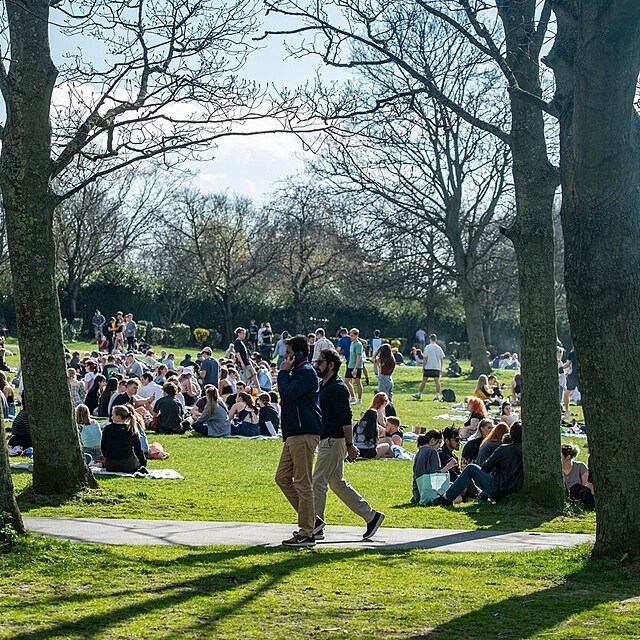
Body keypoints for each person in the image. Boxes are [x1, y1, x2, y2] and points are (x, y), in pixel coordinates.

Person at [311, 348, 385, 540]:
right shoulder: (324, 385)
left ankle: (315, 525)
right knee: (337, 483)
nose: (317, 365)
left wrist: (350, 445)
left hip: (334, 441)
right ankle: (372, 516)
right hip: (327, 440)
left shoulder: (338, 387)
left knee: (317, 481)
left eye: (320, 362)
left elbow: (346, 418)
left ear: (331, 365)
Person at [276, 334, 323, 547]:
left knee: (303, 483)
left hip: (304, 433)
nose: (284, 358)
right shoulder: (297, 372)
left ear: (299, 354)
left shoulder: (304, 372)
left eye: (288, 354)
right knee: (282, 477)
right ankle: (312, 520)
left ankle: (307, 533)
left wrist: (282, 373)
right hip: (294, 433)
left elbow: (288, 394)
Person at [431, 422, 524, 505]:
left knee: (471, 468)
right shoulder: (527, 451)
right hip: (516, 490)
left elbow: (485, 467)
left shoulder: (503, 449)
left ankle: (446, 498)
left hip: (499, 489)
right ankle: (480, 496)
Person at [101, 404, 147, 473]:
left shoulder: (107, 429)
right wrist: (143, 463)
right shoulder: (131, 430)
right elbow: (138, 450)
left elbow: (103, 447)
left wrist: (108, 457)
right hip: (128, 465)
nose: (111, 417)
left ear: (119, 417)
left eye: (113, 415)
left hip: (110, 465)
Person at [353, 394, 391, 459]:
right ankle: (390, 455)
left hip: (358, 451)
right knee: (386, 445)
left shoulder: (357, 425)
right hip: (370, 453)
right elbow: (375, 443)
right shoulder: (374, 428)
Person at [411, 430, 443, 503]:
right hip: (427, 492)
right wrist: (448, 466)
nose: (439, 446)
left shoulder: (420, 451)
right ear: (432, 440)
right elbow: (436, 475)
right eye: (439, 443)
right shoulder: (432, 452)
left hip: (417, 492)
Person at [412, 334, 445, 401]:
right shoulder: (439, 348)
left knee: (424, 381)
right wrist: (441, 368)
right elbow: (441, 359)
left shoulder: (427, 347)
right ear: (436, 339)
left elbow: (425, 358)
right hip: (436, 367)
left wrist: (423, 367)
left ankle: (419, 394)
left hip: (428, 367)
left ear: (430, 339)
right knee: (437, 382)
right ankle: (437, 395)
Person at [345, 327, 364, 404]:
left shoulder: (358, 344)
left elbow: (358, 356)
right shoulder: (352, 343)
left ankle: (359, 399)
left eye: (352, 335)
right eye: (350, 335)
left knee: (357, 382)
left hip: (357, 366)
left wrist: (356, 368)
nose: (350, 337)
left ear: (356, 336)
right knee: (346, 381)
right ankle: (352, 397)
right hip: (350, 365)